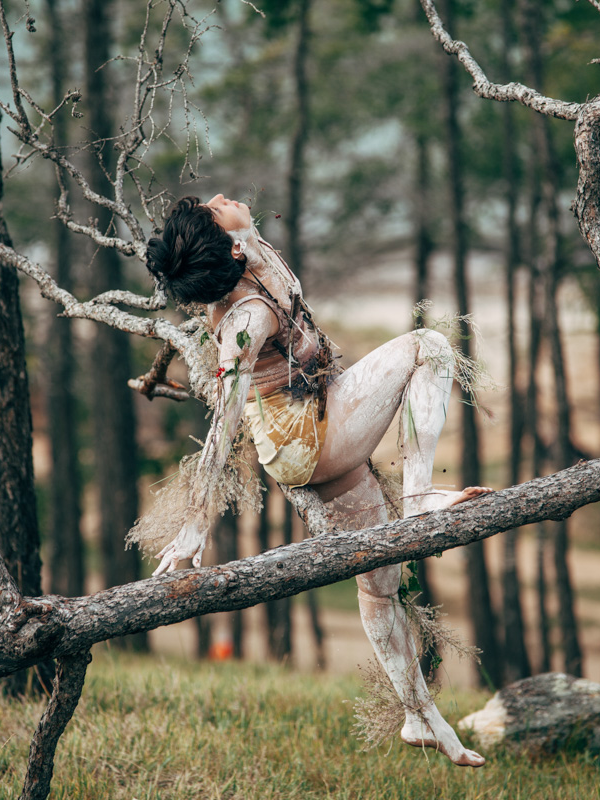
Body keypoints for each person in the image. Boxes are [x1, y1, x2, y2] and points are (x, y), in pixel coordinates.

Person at [143, 193, 489, 767]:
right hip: (310, 437)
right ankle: (420, 495)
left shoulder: (247, 247)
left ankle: (417, 717)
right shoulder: (244, 319)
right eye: (212, 210)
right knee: (428, 346)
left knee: (379, 585)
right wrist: (195, 525)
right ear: (229, 243)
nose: (219, 198)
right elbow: (225, 420)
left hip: (316, 420)